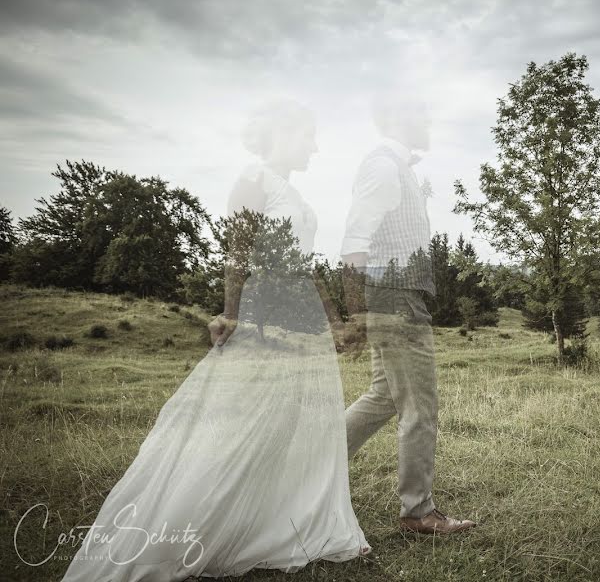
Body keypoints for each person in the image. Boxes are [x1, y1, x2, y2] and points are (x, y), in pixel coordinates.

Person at [61, 99, 370, 582]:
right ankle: (179, 532)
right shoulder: (255, 180)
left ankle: (270, 521)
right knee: (239, 426)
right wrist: (230, 313)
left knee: (289, 425)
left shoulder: (292, 192)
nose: (314, 145)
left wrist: (332, 319)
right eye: (307, 134)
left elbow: (301, 267)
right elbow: (237, 252)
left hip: (301, 320)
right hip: (264, 319)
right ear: (280, 134)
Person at [341, 91, 476, 535]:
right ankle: (418, 513)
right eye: (422, 114)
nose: (429, 123)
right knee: (421, 406)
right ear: (399, 118)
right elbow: (355, 244)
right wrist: (359, 313)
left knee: (384, 396)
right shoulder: (383, 167)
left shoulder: (396, 168)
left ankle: (311, 466)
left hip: (397, 296)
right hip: (394, 299)